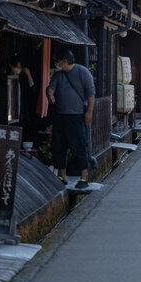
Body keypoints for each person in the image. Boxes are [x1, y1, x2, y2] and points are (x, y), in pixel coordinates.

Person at [46, 49, 95, 189]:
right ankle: (62, 176)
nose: (56, 63)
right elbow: (50, 88)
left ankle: (83, 178)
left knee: (78, 146)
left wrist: (89, 112)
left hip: (76, 115)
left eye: (58, 61)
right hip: (60, 115)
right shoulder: (58, 75)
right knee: (59, 146)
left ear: (65, 61)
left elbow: (91, 93)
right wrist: (50, 95)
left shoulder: (82, 72)